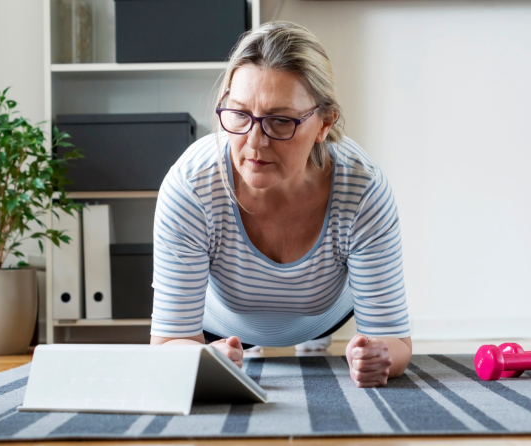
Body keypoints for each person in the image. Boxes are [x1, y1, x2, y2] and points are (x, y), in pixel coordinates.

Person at [149, 21, 411, 388]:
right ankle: (246, 347)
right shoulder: (191, 186)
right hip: (222, 321)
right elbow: (167, 343)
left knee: (315, 333)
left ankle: (309, 339)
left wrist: (380, 355)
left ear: (324, 123)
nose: (255, 142)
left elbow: (394, 340)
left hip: (322, 312)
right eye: (239, 114)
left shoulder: (363, 187)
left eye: (280, 121)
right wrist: (204, 359)